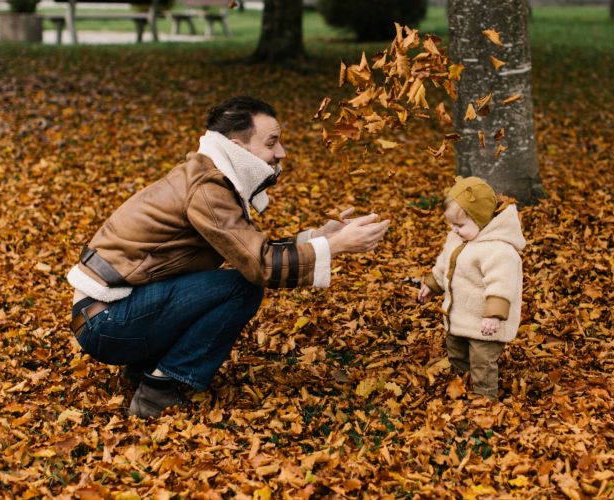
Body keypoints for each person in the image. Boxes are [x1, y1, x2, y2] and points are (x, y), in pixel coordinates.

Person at [66, 96, 390, 418]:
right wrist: (336, 247)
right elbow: (259, 266)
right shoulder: (209, 187)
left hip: (109, 314)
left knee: (232, 282)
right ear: (239, 147)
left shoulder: (209, 176)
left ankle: (145, 368)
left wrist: (321, 237)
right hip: (106, 323)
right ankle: (157, 390)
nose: (281, 153)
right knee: (242, 287)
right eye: (272, 142)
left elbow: (247, 251)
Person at [417, 176, 525, 400]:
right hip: (460, 316)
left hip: (485, 323)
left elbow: (502, 284)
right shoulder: (457, 239)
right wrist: (432, 284)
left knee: (482, 361)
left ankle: (484, 400)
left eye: (460, 225)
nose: (453, 230)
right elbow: (445, 265)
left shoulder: (498, 250)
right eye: (451, 224)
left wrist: (494, 315)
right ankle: (460, 383)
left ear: (482, 220)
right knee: (456, 351)